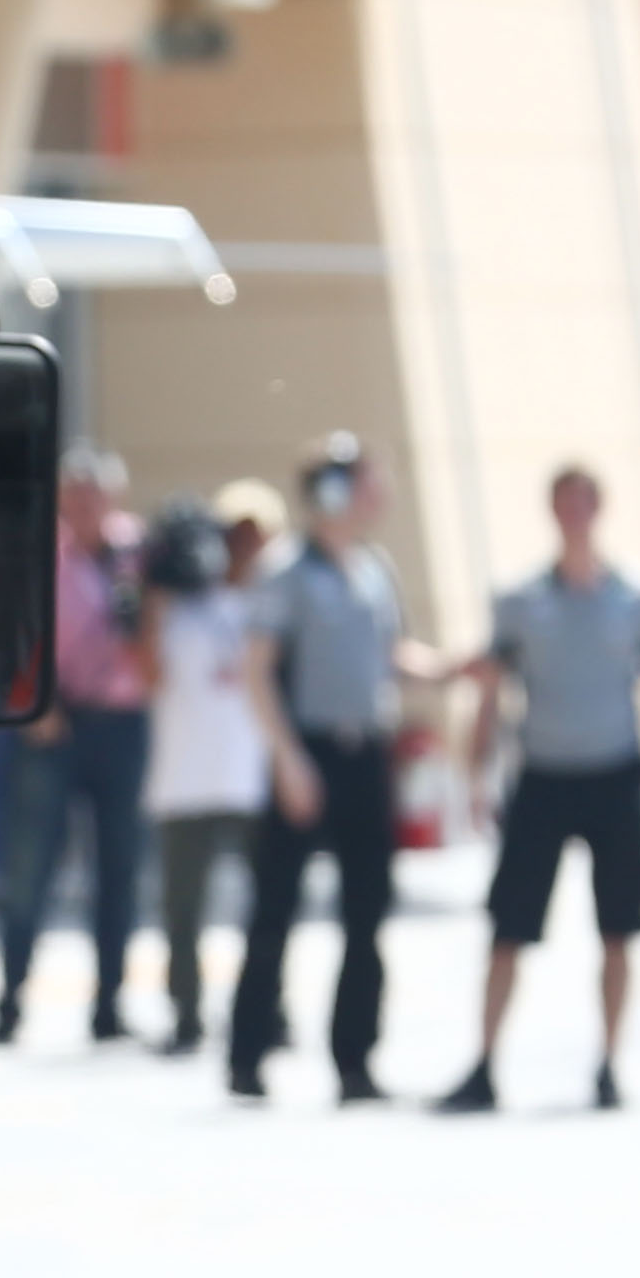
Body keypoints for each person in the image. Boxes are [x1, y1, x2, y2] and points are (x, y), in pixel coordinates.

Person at [439, 464, 640, 1114]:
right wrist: (476, 776)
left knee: (619, 928)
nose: (575, 514)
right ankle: (485, 1064)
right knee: (509, 927)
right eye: (564, 504)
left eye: (584, 503)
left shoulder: (639, 598)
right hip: (544, 778)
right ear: (552, 511)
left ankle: (609, 1064)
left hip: (614, 775)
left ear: (599, 509)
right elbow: (491, 693)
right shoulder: (521, 600)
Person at [230, 433, 463, 1104]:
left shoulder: (371, 569)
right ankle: (248, 1054)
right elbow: (257, 672)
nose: (374, 494)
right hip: (308, 751)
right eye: (361, 481)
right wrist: (288, 759)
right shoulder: (285, 570)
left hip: (367, 754)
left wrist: (450, 669)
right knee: (274, 910)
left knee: (367, 913)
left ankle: (354, 1060)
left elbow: (392, 653)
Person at [0, 445, 157, 1046]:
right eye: (75, 496)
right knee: (29, 866)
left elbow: (161, 622)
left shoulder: (136, 553)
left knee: (119, 866)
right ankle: (9, 997)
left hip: (120, 721)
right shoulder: (38, 554)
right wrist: (33, 703)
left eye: (97, 497)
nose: (86, 508)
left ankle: (110, 1003)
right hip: (52, 722)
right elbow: (8, 632)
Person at [141, 481, 278, 1058]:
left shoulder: (268, 609)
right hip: (184, 780)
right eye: (234, 536)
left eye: (256, 537)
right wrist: (152, 597)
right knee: (183, 912)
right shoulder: (179, 609)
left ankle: (268, 1009)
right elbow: (147, 675)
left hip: (249, 779)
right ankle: (187, 1014)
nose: (244, 549)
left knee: (270, 905)